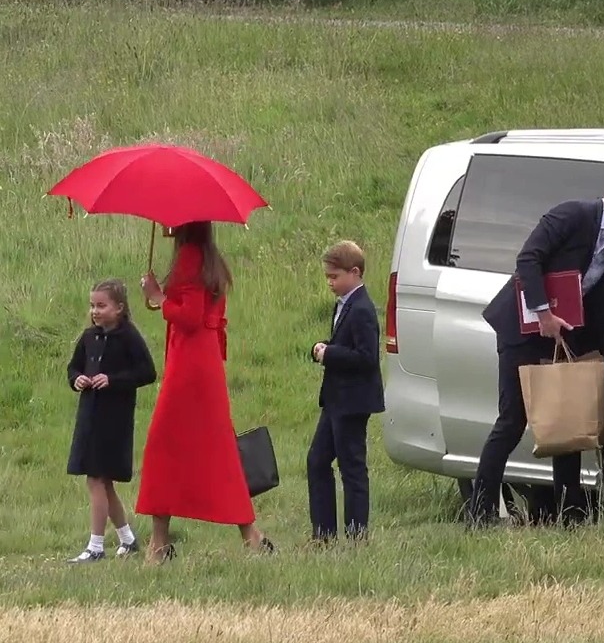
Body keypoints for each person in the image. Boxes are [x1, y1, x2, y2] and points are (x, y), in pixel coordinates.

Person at [469, 172, 604, 527]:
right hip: (525, 332)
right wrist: (543, 313)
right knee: (512, 421)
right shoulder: (572, 214)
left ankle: (570, 514)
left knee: (567, 421)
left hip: (565, 339)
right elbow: (528, 259)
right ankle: (480, 512)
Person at [137, 221, 274, 563]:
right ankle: (250, 535)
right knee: (216, 446)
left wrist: (158, 297)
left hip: (189, 364)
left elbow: (190, 316)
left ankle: (159, 543)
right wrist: (162, 298)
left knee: (163, 444)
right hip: (204, 361)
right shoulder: (209, 257)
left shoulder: (189, 256)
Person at [66, 279, 157, 563]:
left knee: (96, 479)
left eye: (102, 305)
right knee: (102, 483)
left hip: (114, 420)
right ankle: (128, 540)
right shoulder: (88, 337)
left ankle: (95, 546)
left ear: (119, 308)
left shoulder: (129, 337)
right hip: (89, 416)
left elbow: (147, 372)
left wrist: (113, 380)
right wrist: (76, 379)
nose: (95, 311)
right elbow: (74, 366)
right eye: (93, 305)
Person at [307, 240, 385, 543]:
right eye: (327, 276)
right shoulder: (343, 304)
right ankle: (323, 534)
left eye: (334, 277)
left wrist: (330, 354)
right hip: (336, 400)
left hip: (353, 402)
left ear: (355, 272)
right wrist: (322, 346)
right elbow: (344, 343)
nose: (330, 282)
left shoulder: (363, 309)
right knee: (316, 460)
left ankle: (356, 535)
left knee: (352, 467)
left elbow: (367, 358)